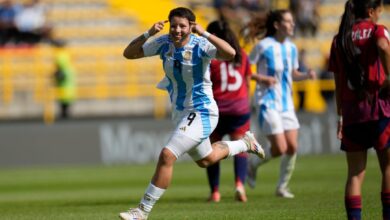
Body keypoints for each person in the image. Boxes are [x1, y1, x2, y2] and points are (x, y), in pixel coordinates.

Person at [119, 7, 265, 220]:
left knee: (167, 155)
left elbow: (231, 53)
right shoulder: (163, 44)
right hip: (181, 112)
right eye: (174, 25)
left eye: (182, 26)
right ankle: (245, 144)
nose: (177, 30)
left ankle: (142, 211)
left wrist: (204, 33)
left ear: (191, 27)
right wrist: (148, 33)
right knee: (206, 159)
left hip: (202, 110)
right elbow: (129, 53)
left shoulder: (201, 45)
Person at [244, 9, 316, 198]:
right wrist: (262, 78)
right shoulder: (263, 46)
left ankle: (282, 187)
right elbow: (245, 71)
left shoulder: (292, 48)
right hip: (267, 102)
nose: (293, 24)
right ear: (277, 25)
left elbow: (292, 74)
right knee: (280, 148)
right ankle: (252, 165)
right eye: (288, 21)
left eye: (293, 21)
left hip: (286, 104)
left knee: (292, 147)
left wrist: (306, 75)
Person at [328, 0, 390, 219]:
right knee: (387, 167)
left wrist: (340, 116)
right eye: (380, 10)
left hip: (352, 113)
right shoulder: (377, 30)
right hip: (378, 108)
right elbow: (383, 46)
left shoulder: (339, 40)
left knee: (354, 174)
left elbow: (337, 84)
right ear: (372, 11)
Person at [204, 20, 252, 203]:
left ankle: (215, 192)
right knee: (240, 147)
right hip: (239, 109)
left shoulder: (210, 58)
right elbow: (247, 83)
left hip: (217, 109)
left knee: (210, 151)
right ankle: (240, 185)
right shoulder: (243, 56)